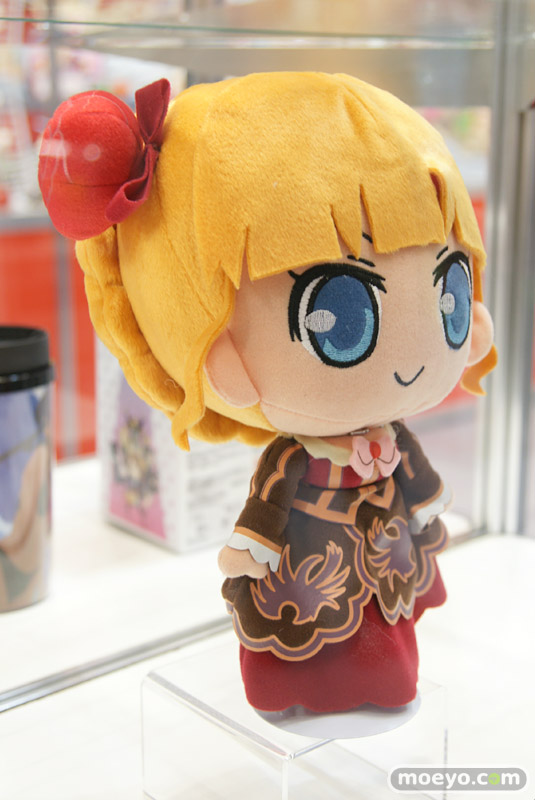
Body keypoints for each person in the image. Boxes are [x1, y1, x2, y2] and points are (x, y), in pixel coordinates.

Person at [39, 71, 496, 713]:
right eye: (341, 316)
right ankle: (299, 690)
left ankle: (387, 681)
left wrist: (422, 505)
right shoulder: (293, 457)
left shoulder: (391, 437)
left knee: (385, 631)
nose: (416, 361)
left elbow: (414, 478)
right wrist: (251, 546)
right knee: (305, 633)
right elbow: (269, 501)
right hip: (310, 561)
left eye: (450, 293)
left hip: (381, 548)